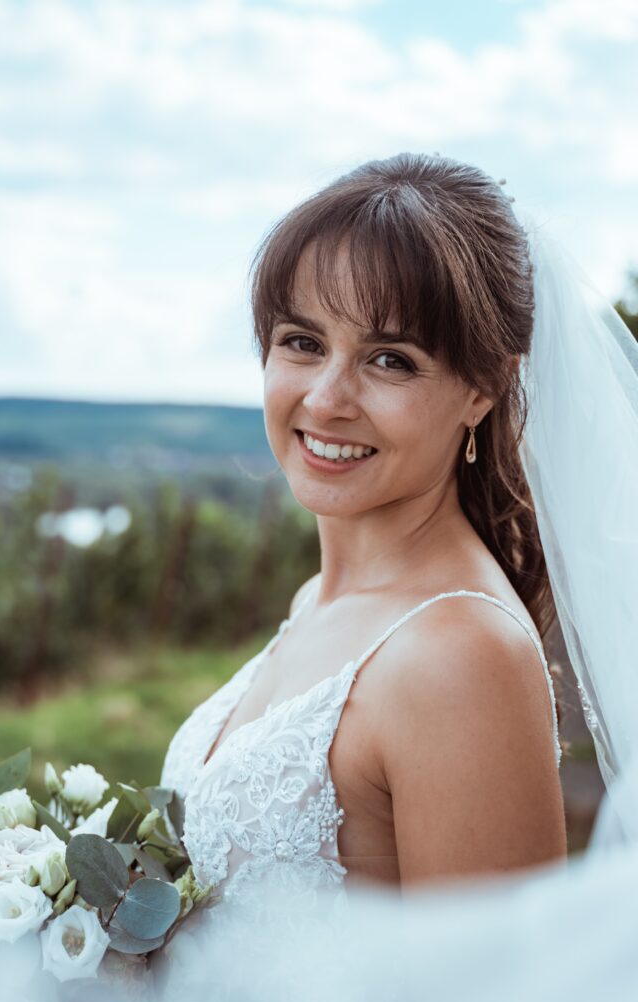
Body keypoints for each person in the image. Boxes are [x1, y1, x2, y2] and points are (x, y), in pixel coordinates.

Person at [161, 153, 568, 898]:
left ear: (484, 388)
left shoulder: (462, 657)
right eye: (303, 342)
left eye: (390, 359)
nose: (325, 399)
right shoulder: (317, 598)